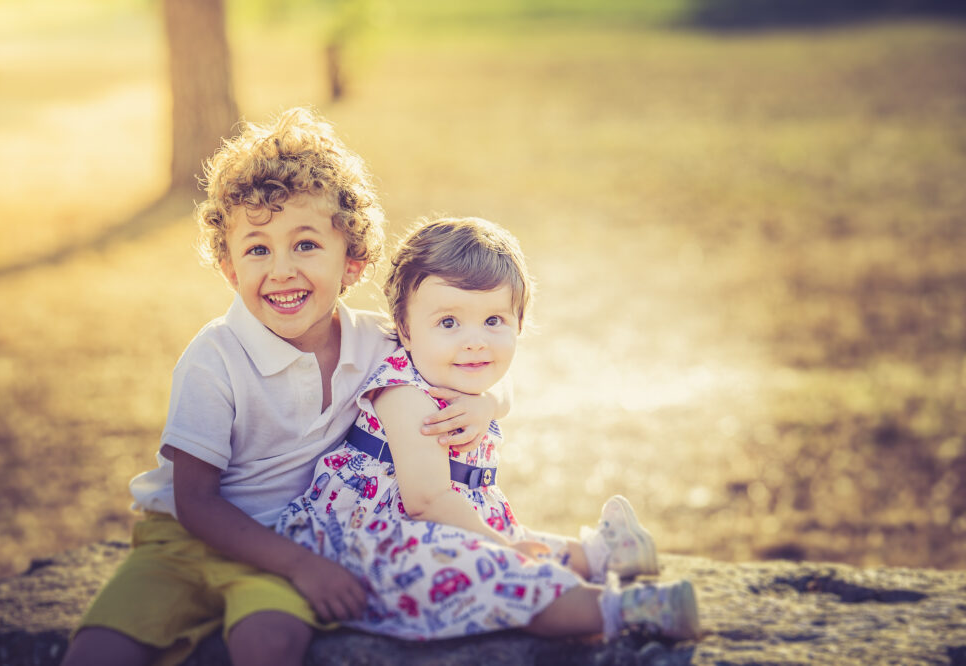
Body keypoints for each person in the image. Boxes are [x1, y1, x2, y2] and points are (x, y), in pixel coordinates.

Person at [62, 109, 506, 666]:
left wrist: (489, 402)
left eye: (305, 245)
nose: (281, 270)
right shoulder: (214, 358)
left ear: (354, 260)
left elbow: (456, 367)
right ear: (229, 269)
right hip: (180, 543)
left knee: (272, 644)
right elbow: (195, 501)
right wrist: (302, 568)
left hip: (295, 538)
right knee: (98, 651)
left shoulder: (379, 343)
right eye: (257, 250)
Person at [277, 216, 700, 642]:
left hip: (455, 516)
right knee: (506, 573)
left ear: (519, 323)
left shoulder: (470, 382)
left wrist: (489, 405)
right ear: (405, 330)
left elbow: (506, 392)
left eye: (494, 321)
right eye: (449, 323)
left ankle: (603, 555)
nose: (475, 341)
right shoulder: (404, 394)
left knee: (527, 544)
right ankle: (628, 611)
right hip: (376, 539)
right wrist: (499, 545)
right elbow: (425, 499)